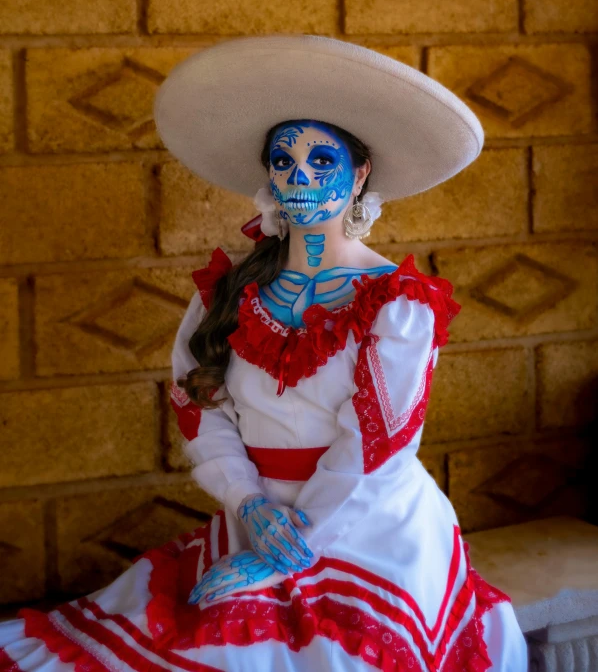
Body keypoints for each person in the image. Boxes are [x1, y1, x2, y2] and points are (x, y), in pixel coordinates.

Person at [0, 35, 528, 671]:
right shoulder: (231, 292)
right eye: (283, 159)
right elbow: (199, 406)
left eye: (321, 159)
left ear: (360, 173)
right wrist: (249, 506)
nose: (298, 176)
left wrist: (287, 546)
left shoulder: (396, 303)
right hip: (253, 511)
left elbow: (378, 444)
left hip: (367, 527)